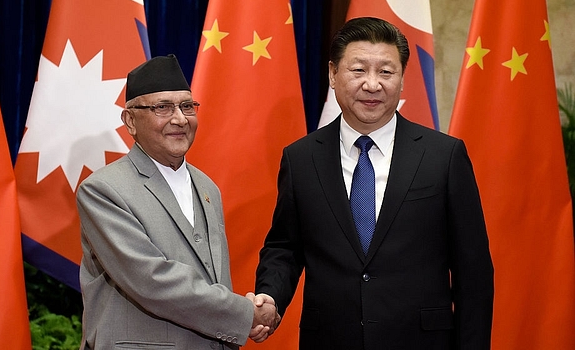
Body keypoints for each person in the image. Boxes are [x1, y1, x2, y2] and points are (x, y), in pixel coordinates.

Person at [253, 17, 494, 349]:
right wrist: (271, 295)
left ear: (402, 79)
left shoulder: (444, 156)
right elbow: (285, 248)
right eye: (358, 70)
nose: (372, 84)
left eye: (386, 72)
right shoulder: (301, 158)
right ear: (332, 75)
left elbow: (473, 273)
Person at [77, 54, 278, 350]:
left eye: (187, 106)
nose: (180, 119)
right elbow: (150, 280)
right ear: (130, 120)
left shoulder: (207, 186)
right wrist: (245, 314)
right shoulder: (103, 190)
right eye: (163, 107)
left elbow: (211, 277)